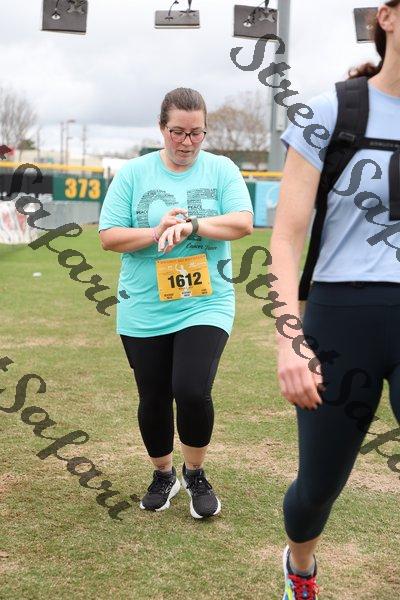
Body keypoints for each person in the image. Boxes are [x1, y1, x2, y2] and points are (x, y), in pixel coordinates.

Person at [270, 2, 400, 598]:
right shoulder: (331, 112)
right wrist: (289, 342)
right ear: (387, 17)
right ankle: (300, 567)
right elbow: (286, 237)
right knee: (318, 487)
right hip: (340, 317)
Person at [98, 88, 253, 519]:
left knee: (191, 389)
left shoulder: (221, 169)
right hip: (144, 304)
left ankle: (195, 473)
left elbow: (243, 223)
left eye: (196, 133)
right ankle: (163, 474)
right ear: (161, 128)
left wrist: (193, 226)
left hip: (205, 301)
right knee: (153, 395)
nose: (187, 142)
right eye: (178, 132)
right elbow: (109, 236)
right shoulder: (134, 173)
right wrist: (156, 232)